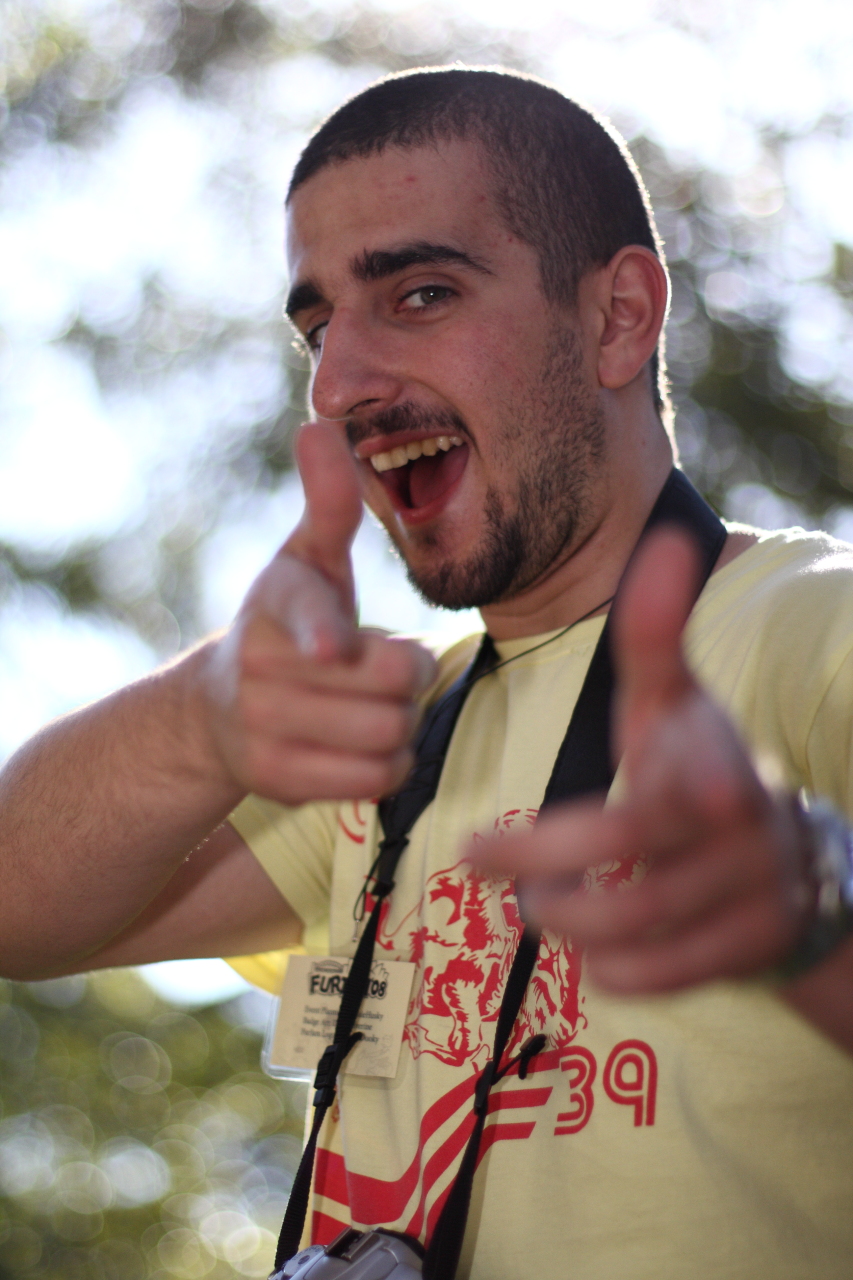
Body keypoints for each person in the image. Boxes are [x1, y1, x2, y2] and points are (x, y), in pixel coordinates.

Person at [2, 66, 853, 1278]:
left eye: (420, 293)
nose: (337, 383)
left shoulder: (811, 629)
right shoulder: (392, 729)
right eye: (317, 328)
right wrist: (204, 716)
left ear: (616, 317)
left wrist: (812, 922)